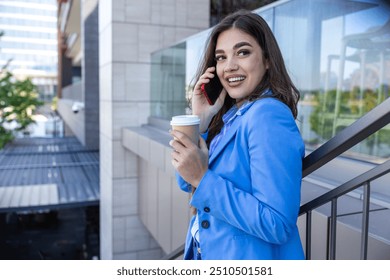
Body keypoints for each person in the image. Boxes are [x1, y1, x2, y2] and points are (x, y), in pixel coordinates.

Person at [169, 9, 305, 260]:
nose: (229, 66)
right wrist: (200, 121)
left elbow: (277, 223)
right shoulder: (233, 117)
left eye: (242, 52)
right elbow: (186, 181)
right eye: (221, 57)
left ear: (266, 59)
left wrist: (203, 177)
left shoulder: (268, 116)